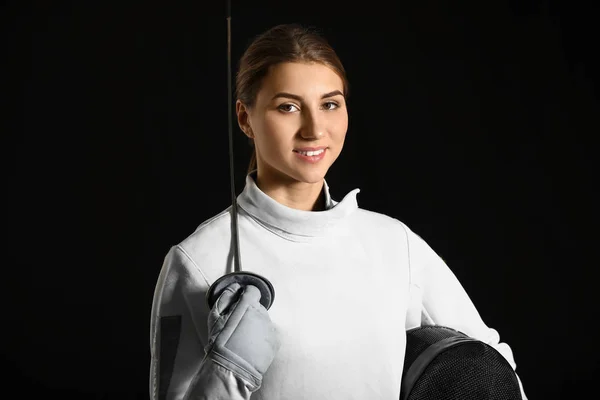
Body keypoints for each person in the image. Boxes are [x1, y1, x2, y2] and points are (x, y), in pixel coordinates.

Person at [149, 23, 528, 400]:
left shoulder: (393, 245)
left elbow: (490, 367)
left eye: (330, 104)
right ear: (245, 118)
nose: (314, 130)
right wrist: (226, 372)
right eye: (288, 107)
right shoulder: (199, 260)